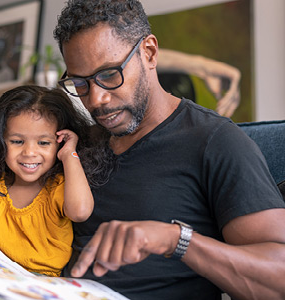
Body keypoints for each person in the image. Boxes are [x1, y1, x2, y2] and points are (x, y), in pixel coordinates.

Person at [50, 0, 285, 299]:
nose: (96, 99)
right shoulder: (78, 143)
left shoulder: (215, 141)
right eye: (81, 83)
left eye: (109, 75)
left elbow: (279, 282)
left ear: (149, 52)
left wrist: (177, 241)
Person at [0, 85, 101, 277]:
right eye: (17, 141)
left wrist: (70, 154)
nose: (29, 152)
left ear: (60, 143)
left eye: (44, 143)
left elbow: (80, 212)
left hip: (41, 283)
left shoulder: (59, 187)